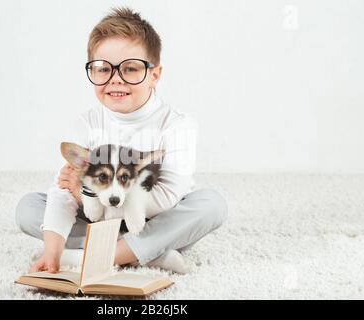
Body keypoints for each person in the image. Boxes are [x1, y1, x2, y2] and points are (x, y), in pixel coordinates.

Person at [15, 7, 227, 274]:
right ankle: (146, 255)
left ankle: (95, 255)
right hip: (98, 221)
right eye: (103, 69)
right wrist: (53, 252)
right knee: (28, 208)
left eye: (130, 68)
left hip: (153, 220)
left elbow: (167, 197)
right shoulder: (88, 122)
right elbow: (62, 193)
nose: (116, 80)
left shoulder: (176, 124)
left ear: (155, 74)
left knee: (211, 205)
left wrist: (89, 194)